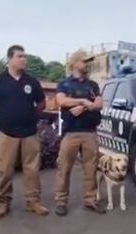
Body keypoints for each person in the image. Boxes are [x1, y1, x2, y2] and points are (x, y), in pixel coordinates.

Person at [0, 45, 49, 217]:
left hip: (29, 133)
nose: (24, 59)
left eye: (25, 56)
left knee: (32, 170)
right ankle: (3, 202)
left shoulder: (31, 82)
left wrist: (31, 116)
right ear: (10, 59)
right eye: (20, 56)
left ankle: (33, 201)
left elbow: (42, 104)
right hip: (6, 133)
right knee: (5, 170)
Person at [53, 50, 105, 216]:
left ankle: (90, 200)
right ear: (75, 63)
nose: (87, 64)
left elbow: (99, 104)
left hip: (90, 132)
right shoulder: (65, 84)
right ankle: (61, 201)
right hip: (71, 133)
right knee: (64, 168)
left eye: (88, 61)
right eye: (84, 61)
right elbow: (61, 101)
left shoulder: (93, 85)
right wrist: (82, 101)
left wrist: (82, 107)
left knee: (91, 168)